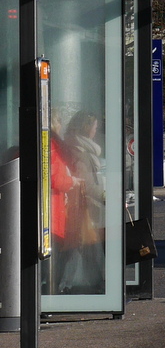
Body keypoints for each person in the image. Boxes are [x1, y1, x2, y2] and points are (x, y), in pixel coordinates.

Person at [59, 110, 105, 295]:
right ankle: (64, 286)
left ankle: (68, 285)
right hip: (81, 206)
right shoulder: (78, 150)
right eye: (94, 127)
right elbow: (84, 180)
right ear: (86, 128)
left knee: (82, 247)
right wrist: (105, 195)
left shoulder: (83, 147)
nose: (96, 130)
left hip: (86, 205)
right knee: (83, 246)